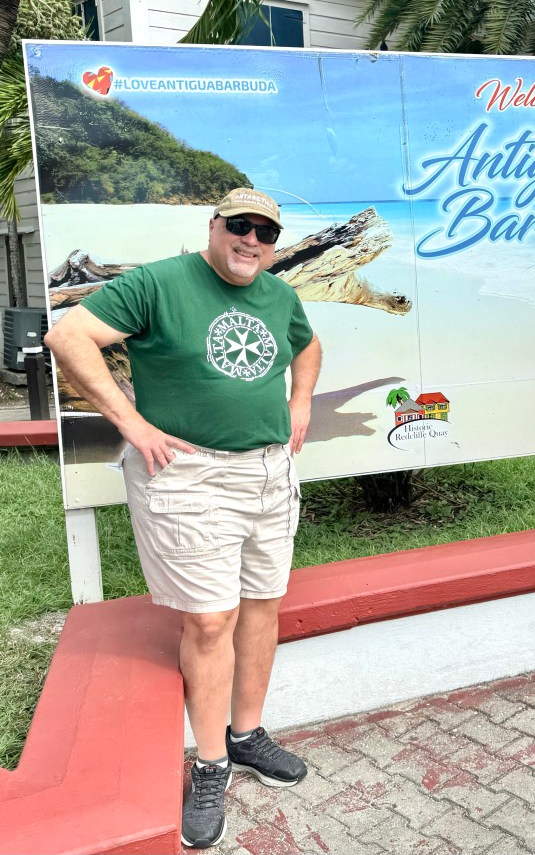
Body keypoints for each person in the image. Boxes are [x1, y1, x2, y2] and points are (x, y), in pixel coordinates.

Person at [44, 187, 322, 849]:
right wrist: (132, 422)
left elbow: (307, 347)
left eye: (265, 232)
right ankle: (211, 763)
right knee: (209, 619)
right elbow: (68, 335)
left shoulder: (278, 295)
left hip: (267, 471)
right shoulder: (159, 283)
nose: (251, 239)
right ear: (214, 225)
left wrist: (301, 400)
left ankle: (246, 734)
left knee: (262, 605)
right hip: (190, 474)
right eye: (240, 225)